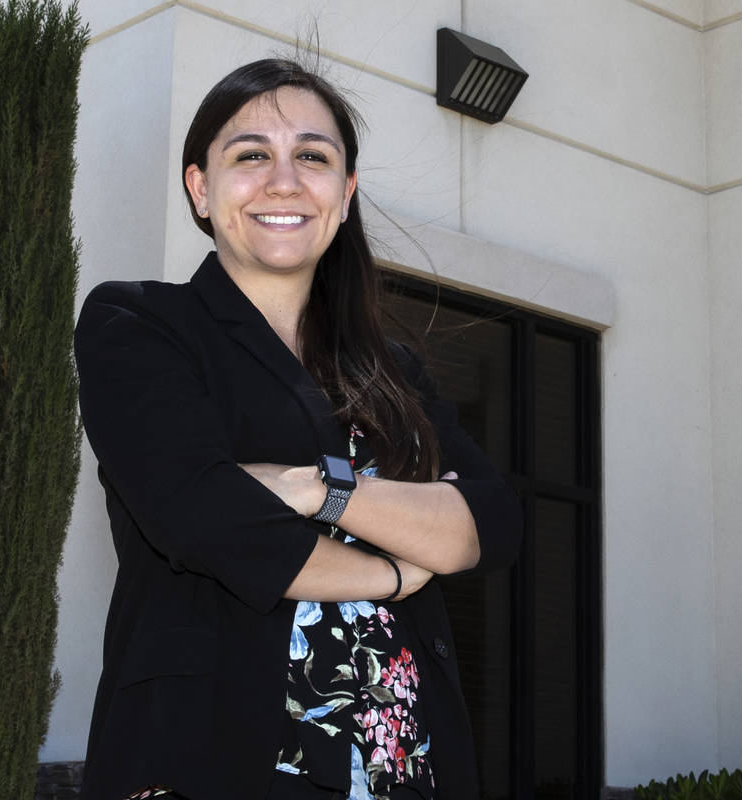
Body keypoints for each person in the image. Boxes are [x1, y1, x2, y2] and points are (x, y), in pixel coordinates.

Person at [74, 58, 522, 800]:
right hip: (218, 759)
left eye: (312, 157)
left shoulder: (394, 372)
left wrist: (317, 491)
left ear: (344, 196)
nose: (284, 181)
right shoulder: (141, 325)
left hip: (403, 766)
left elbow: (490, 524)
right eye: (250, 155)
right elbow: (201, 516)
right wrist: (393, 570)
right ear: (200, 189)